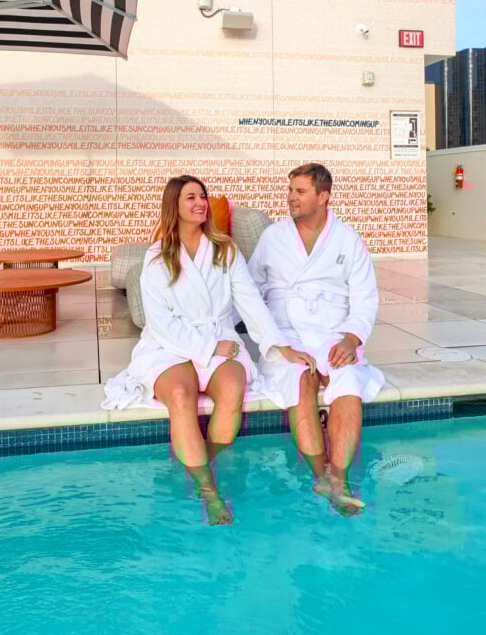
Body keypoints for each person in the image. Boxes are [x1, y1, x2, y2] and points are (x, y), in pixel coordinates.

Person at [103, 175, 311, 526]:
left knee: (232, 391)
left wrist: (280, 345)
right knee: (181, 396)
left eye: (202, 196)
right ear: (174, 206)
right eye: (191, 198)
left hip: (219, 336)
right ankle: (209, 491)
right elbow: (160, 323)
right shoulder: (157, 257)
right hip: (169, 346)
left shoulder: (225, 250)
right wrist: (209, 347)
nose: (200, 203)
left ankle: (198, 464)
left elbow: (250, 302)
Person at [247, 162, 384, 514]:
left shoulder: (348, 239)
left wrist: (351, 339)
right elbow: (249, 292)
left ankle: (340, 478)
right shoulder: (273, 237)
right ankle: (320, 473)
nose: (291, 197)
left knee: (348, 378)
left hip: (331, 333)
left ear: (323, 197)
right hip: (286, 333)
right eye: (290, 190)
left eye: (300, 191)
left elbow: (366, 298)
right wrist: (274, 343)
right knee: (300, 378)